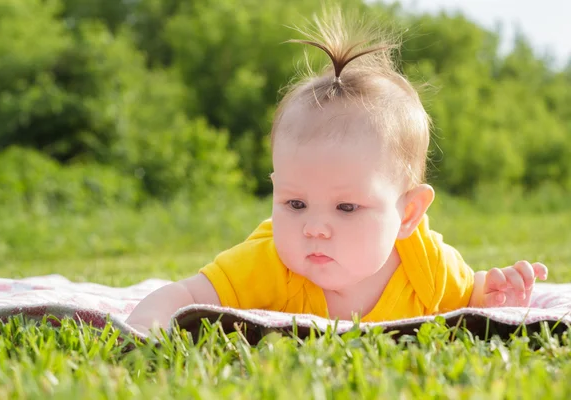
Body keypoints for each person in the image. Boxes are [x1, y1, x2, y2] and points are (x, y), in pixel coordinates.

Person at [126, 7, 548, 335]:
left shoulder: (426, 265)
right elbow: (183, 296)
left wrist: (493, 294)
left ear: (408, 214)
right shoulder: (271, 261)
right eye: (295, 203)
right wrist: (148, 328)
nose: (314, 228)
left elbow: (467, 295)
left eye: (346, 207)